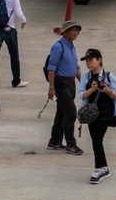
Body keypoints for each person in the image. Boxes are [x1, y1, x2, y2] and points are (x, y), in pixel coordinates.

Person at [78, 49, 116, 184]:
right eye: (87, 61)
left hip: (106, 113)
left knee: (97, 139)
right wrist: (92, 89)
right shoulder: (86, 77)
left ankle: (98, 169)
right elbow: (81, 95)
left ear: (99, 60)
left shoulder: (109, 76)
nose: (89, 63)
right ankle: (104, 168)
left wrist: (106, 90)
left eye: (91, 60)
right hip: (91, 113)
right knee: (96, 141)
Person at [46, 20, 83, 154]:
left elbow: (76, 66)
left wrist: (83, 83)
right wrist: (51, 88)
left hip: (70, 83)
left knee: (62, 112)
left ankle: (54, 141)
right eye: (73, 30)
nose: (76, 33)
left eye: (77, 30)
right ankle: (71, 144)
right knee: (71, 113)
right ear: (65, 32)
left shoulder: (71, 46)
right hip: (61, 84)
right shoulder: (58, 47)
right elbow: (51, 69)